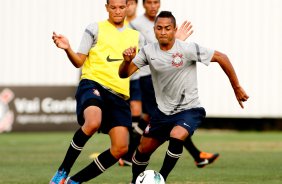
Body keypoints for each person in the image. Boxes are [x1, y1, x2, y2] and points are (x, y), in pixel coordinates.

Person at [119, 11, 249, 183]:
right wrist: (127, 61)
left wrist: (236, 87)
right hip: (162, 112)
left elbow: (221, 57)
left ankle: (161, 178)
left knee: (177, 134)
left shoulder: (187, 49)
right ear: (154, 30)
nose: (163, 32)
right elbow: (124, 74)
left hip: (189, 109)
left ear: (174, 30)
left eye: (167, 28)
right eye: (159, 28)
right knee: (142, 150)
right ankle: (135, 180)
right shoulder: (148, 51)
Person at [50, 0, 144, 183]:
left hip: (119, 94)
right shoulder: (95, 28)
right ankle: (62, 170)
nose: (117, 11)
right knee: (93, 122)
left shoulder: (136, 37)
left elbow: (127, 72)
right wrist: (67, 48)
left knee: (121, 149)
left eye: (121, 7)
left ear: (128, 8)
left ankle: (74, 181)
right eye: (113, 7)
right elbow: (79, 62)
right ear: (107, 7)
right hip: (93, 84)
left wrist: (127, 61)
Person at [127, 0, 220, 168]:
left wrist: (177, 44)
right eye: (149, 2)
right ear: (144, 5)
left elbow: (169, 47)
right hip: (148, 77)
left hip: (166, 77)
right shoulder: (135, 24)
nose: (153, 6)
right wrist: (175, 44)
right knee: (161, 117)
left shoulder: (164, 23)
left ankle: (129, 155)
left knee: (168, 117)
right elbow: (143, 50)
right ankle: (128, 155)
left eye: (156, 2)